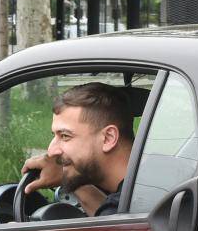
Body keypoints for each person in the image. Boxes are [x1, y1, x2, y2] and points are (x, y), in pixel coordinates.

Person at [19, 82, 133, 216]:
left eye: (65, 136)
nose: (51, 150)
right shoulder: (145, 189)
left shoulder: (130, 206)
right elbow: (109, 218)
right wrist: (70, 177)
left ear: (108, 138)